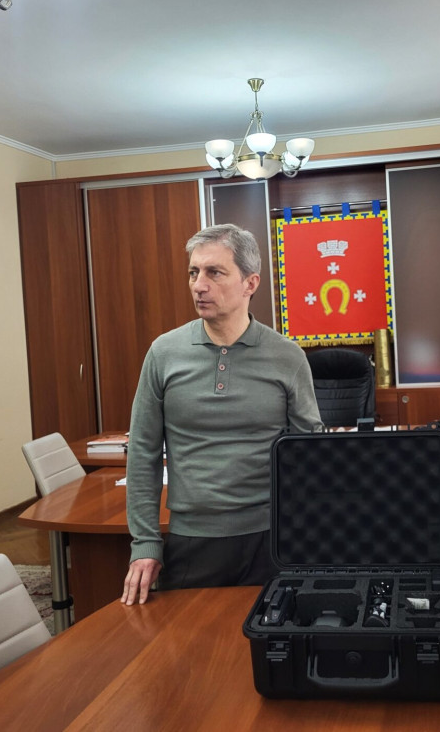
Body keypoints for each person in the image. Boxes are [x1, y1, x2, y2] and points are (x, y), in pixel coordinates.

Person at [121, 223, 321, 605]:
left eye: (215, 272)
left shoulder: (287, 357)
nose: (199, 285)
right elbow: (143, 453)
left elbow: (309, 456)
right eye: (193, 273)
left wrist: (309, 534)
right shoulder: (163, 353)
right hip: (192, 540)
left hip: (272, 539)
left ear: (250, 283)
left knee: (271, 639)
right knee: (190, 640)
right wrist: (145, 542)